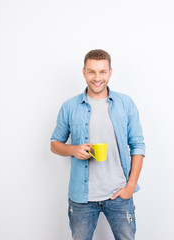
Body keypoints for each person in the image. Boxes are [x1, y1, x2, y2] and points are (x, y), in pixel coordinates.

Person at [50, 49, 145, 240]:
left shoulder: (125, 104)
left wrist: (130, 186)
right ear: (84, 72)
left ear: (110, 72)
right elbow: (55, 144)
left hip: (119, 193)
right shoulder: (70, 107)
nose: (97, 78)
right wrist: (73, 150)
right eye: (91, 71)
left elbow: (138, 145)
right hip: (81, 199)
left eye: (102, 72)